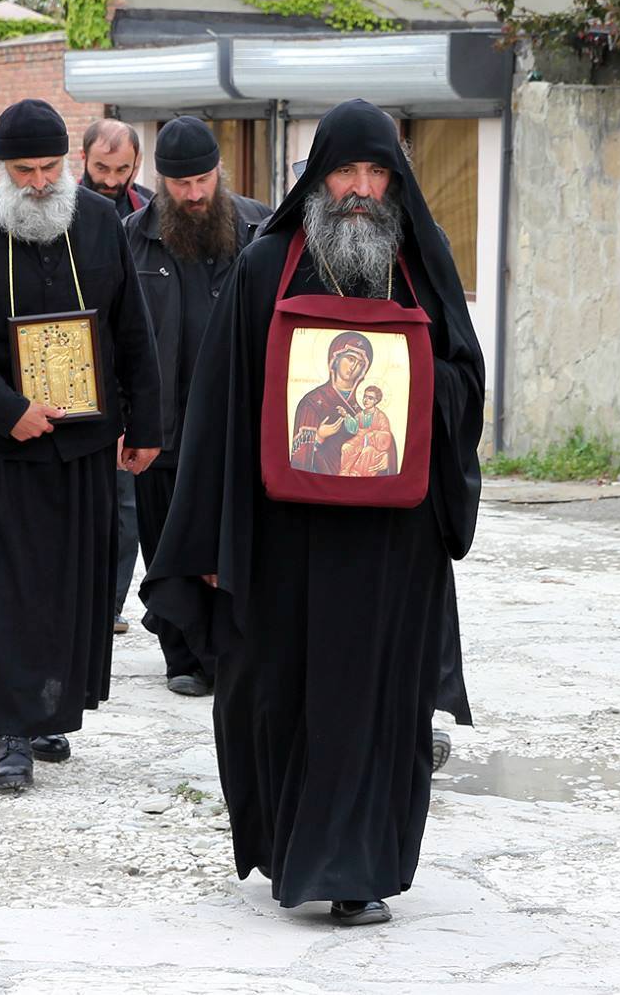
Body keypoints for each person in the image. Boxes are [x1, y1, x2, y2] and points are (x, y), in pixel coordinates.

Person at [141, 99, 485, 927]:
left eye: (376, 174)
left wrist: (414, 389)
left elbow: (465, 383)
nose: (362, 190)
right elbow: (219, 413)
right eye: (345, 173)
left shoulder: (419, 266)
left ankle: (356, 868)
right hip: (282, 539)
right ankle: (295, 846)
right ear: (318, 179)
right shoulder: (265, 269)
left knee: (376, 700)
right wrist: (215, 541)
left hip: (389, 546)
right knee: (277, 695)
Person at [0, 99, 161, 793]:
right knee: (3, 591)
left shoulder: (97, 222)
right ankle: (9, 734)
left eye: (48, 167)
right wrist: (9, 410)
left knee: (69, 588)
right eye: (23, 170)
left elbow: (131, 329)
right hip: (2, 446)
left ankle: (48, 710)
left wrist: (147, 427)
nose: (37, 182)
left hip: (83, 444)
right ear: (1, 168)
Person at [122, 116, 271, 697]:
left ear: (220, 172)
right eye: (181, 184)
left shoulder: (260, 228)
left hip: (240, 424)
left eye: (203, 180)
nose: (194, 195)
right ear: (162, 181)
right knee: (167, 543)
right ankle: (181, 654)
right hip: (164, 426)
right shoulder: (132, 234)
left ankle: (233, 649)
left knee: (232, 538)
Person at [81, 119, 155, 633]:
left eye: (121, 169)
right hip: (78, 376)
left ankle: (109, 603)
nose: (110, 179)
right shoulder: (66, 213)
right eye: (101, 168)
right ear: (82, 160)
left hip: (131, 374)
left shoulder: (148, 213)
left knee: (125, 503)